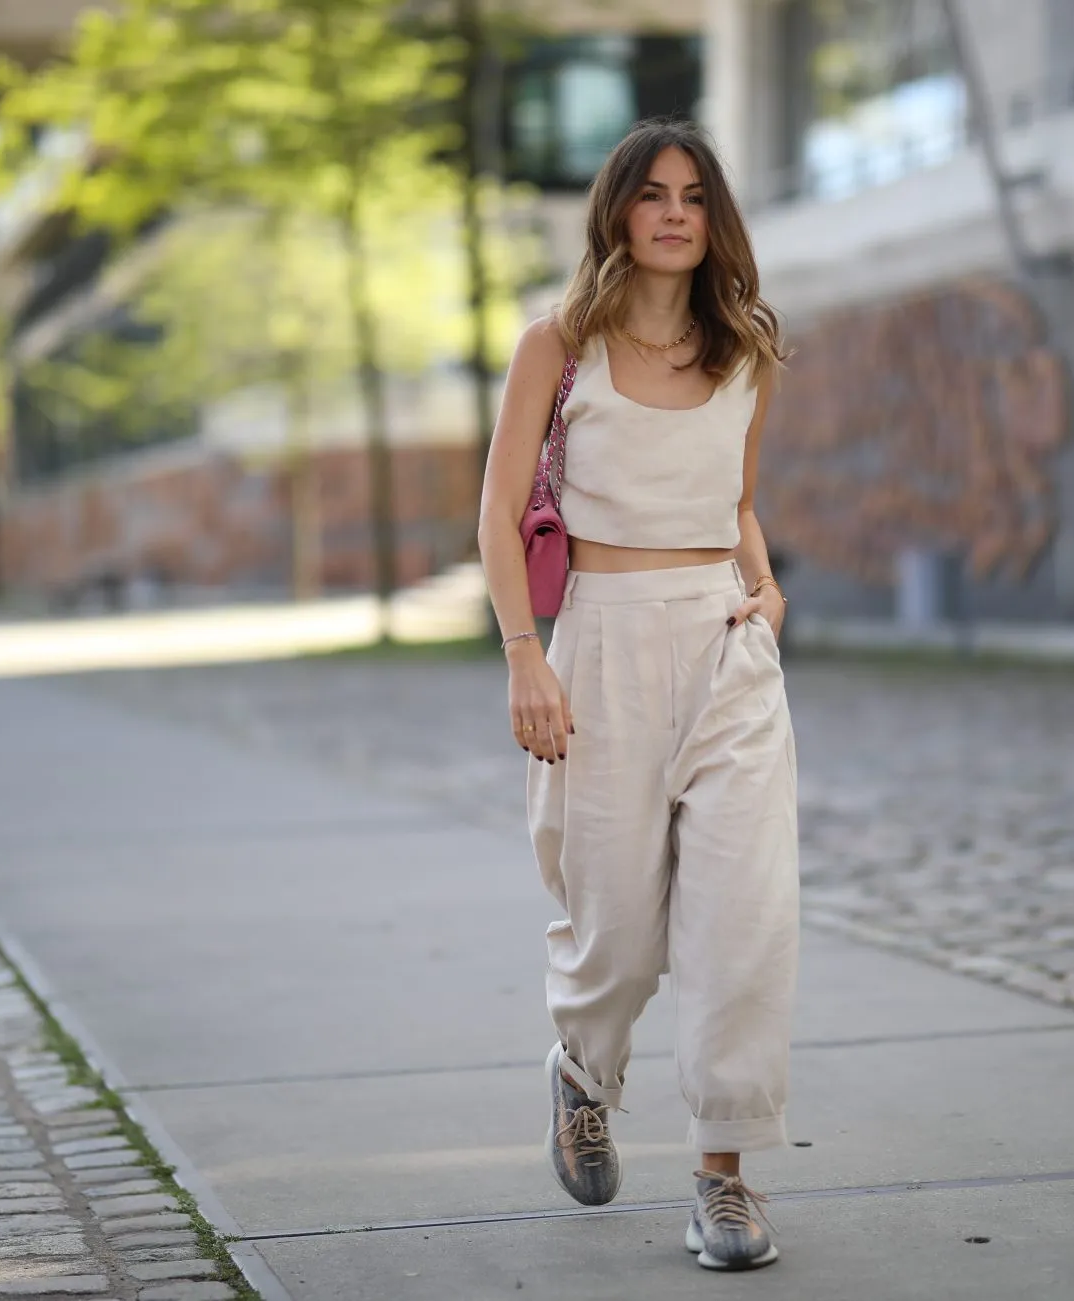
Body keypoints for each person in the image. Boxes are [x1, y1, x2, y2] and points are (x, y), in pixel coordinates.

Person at [476, 117, 798, 1273]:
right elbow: (498, 515)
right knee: (612, 923)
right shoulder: (556, 345)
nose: (673, 211)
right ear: (616, 210)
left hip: (723, 653)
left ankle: (725, 1173)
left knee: (741, 922)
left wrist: (764, 593)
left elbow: (736, 499)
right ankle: (582, 1069)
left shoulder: (746, 349)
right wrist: (525, 654)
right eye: (651, 192)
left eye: (695, 195)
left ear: (715, 220)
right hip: (599, 648)